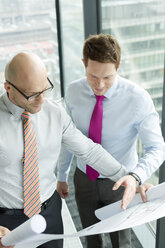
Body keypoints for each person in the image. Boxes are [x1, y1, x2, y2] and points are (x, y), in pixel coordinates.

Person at [0, 52, 141, 248]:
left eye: (45, 89)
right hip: (6, 221)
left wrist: (129, 178)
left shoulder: (55, 113)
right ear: (8, 88)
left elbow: (89, 151)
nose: (41, 100)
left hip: (49, 212)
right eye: (32, 94)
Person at [57, 34, 165, 248]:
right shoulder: (73, 92)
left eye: (107, 77)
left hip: (121, 181)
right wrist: (62, 175)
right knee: (91, 238)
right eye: (93, 76)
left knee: (121, 243)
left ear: (118, 67)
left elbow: (157, 148)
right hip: (83, 178)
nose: (99, 84)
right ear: (83, 64)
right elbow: (68, 138)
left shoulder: (137, 98)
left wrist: (136, 176)